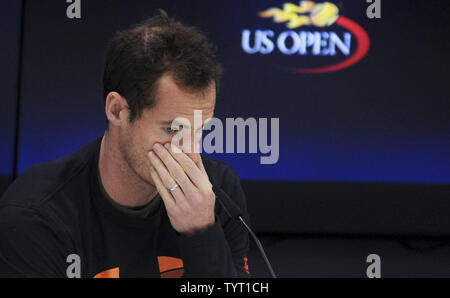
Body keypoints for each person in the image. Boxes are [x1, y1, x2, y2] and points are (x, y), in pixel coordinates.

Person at [0, 11, 251, 278]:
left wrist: (201, 234)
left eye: (200, 130)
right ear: (118, 110)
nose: (190, 154)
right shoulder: (36, 216)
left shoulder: (217, 194)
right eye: (172, 129)